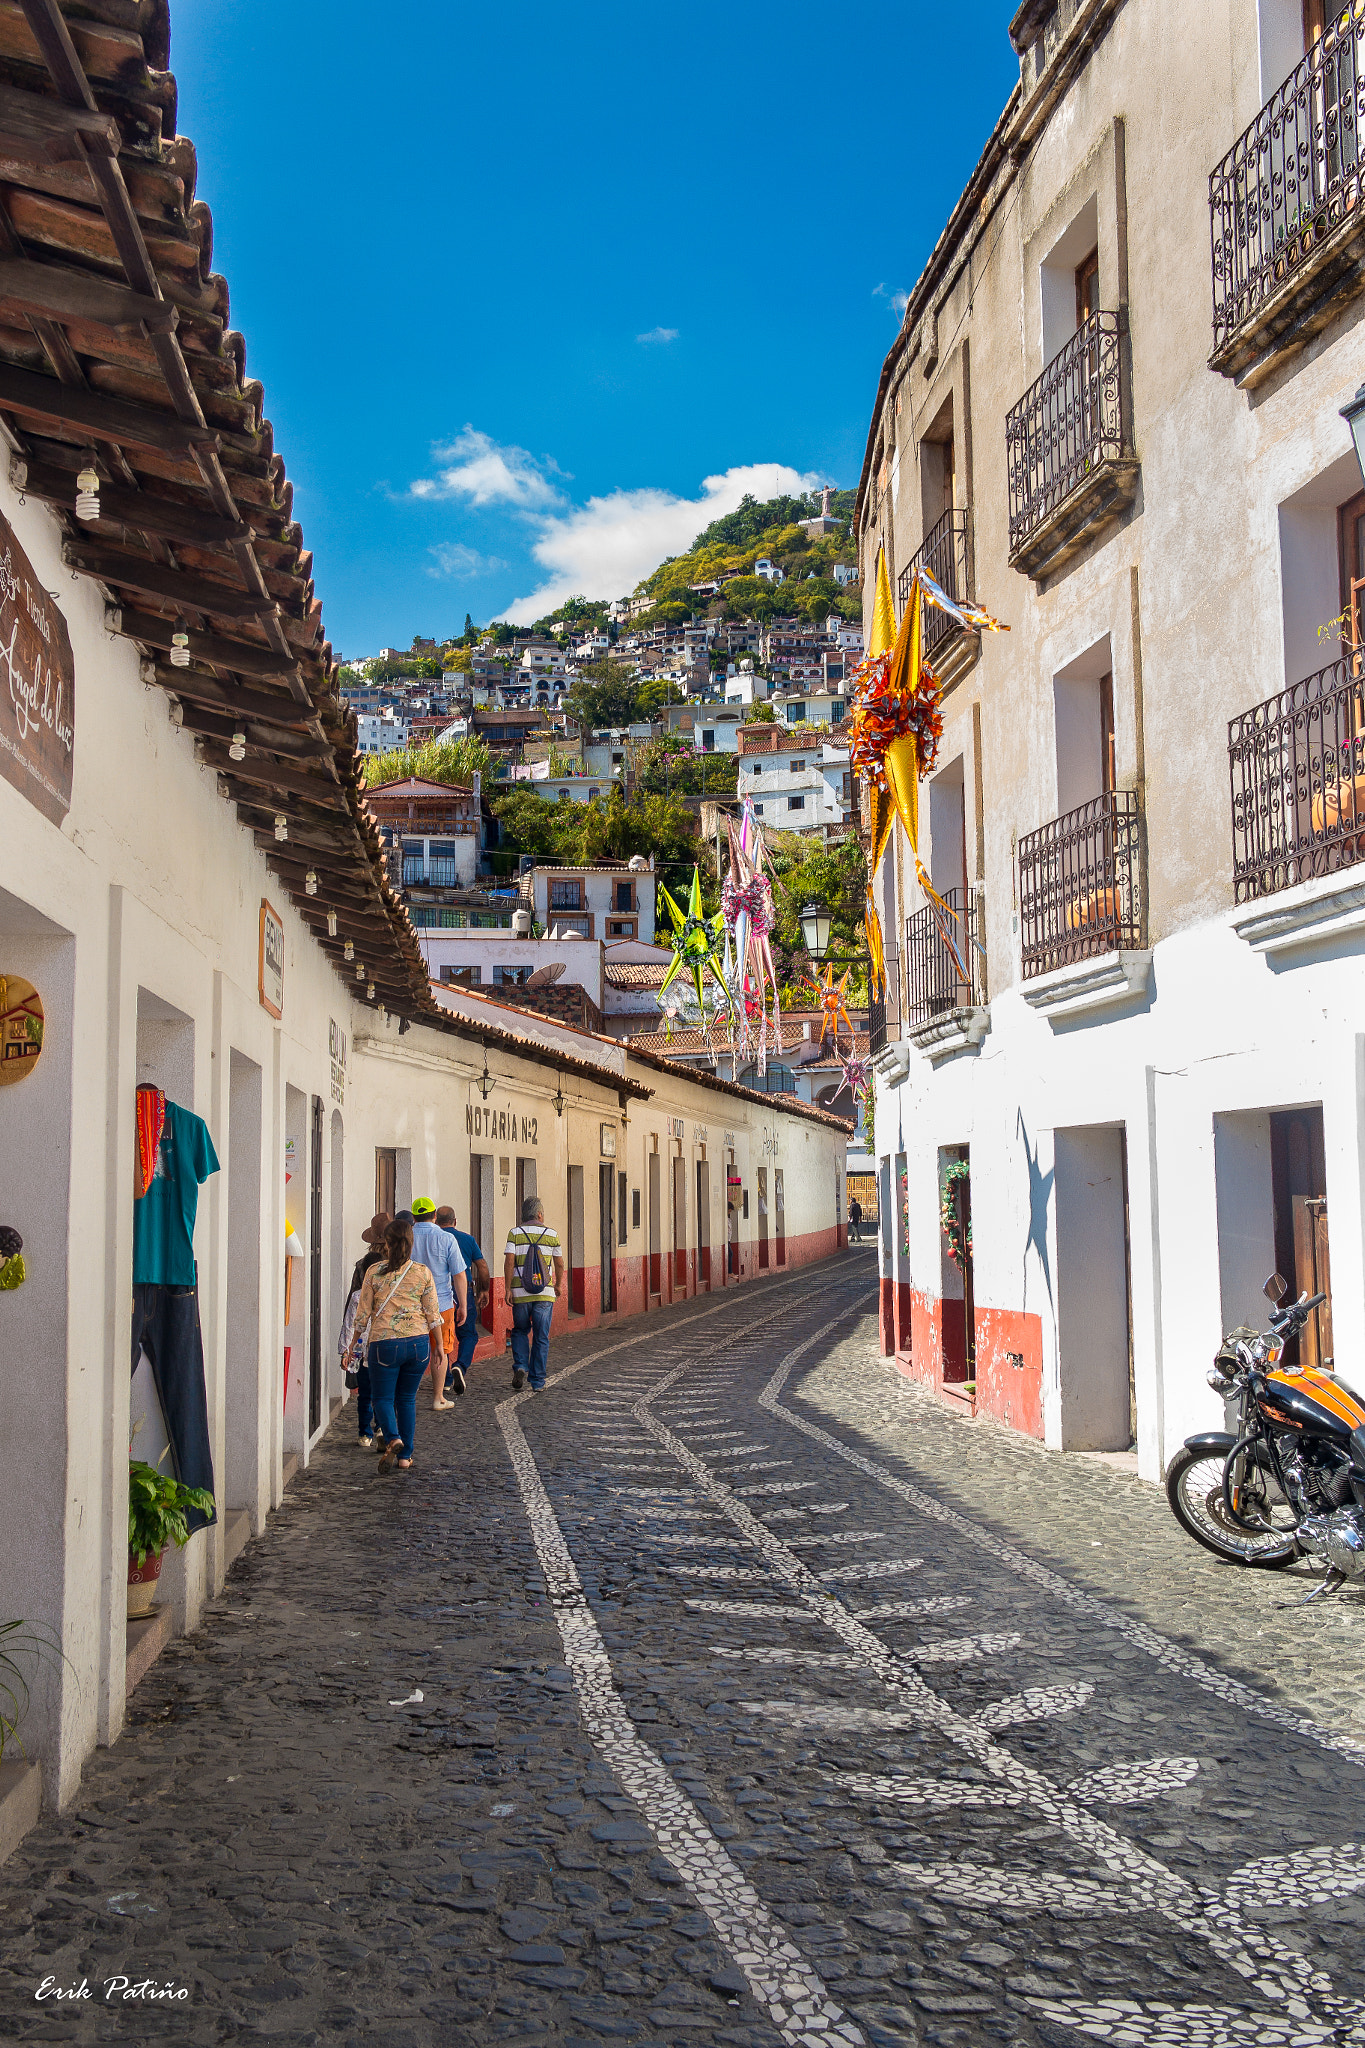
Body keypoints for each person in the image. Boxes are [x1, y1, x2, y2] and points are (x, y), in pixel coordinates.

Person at [342, 1215, 443, 1471]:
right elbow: (432, 1313)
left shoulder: (374, 1273)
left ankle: (393, 1437)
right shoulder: (422, 1272)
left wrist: (353, 1345)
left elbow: (362, 1314)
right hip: (418, 1343)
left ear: (387, 1244)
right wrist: (439, 1346)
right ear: (411, 1243)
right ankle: (405, 1458)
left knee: (382, 1399)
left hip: (385, 1343)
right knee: (407, 1400)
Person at [410, 1197, 467, 1411]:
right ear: (434, 1216)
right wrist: (462, 1305)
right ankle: (438, 1397)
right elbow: (459, 1275)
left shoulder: (407, 1237)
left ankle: (407, 1396)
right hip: (442, 1304)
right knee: (440, 1350)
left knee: (412, 1349)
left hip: (411, 1305)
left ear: (414, 1217)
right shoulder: (446, 1239)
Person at [338, 1211, 389, 1447]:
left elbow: (352, 1305)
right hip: (384, 1341)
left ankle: (366, 1431)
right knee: (384, 1391)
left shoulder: (363, 1266)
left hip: (362, 1343)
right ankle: (380, 1428)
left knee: (366, 1392)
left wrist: (347, 1347)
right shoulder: (399, 1268)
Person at [504, 1195, 564, 1393]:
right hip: (545, 1293)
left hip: (521, 1292)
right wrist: (559, 1285)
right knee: (541, 1336)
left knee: (520, 1330)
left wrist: (507, 1288)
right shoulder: (552, 1234)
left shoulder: (514, 1233)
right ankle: (537, 1381)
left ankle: (521, 1366)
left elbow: (509, 1261)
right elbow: (559, 1263)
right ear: (539, 1214)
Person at [437, 1204, 489, 1397]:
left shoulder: (435, 1238)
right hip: (463, 1290)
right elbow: (482, 1265)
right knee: (468, 1335)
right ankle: (460, 1366)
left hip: (439, 1291)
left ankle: (446, 1380)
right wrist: (484, 1289)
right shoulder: (467, 1239)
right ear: (455, 1221)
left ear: (436, 1220)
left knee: (442, 1335)